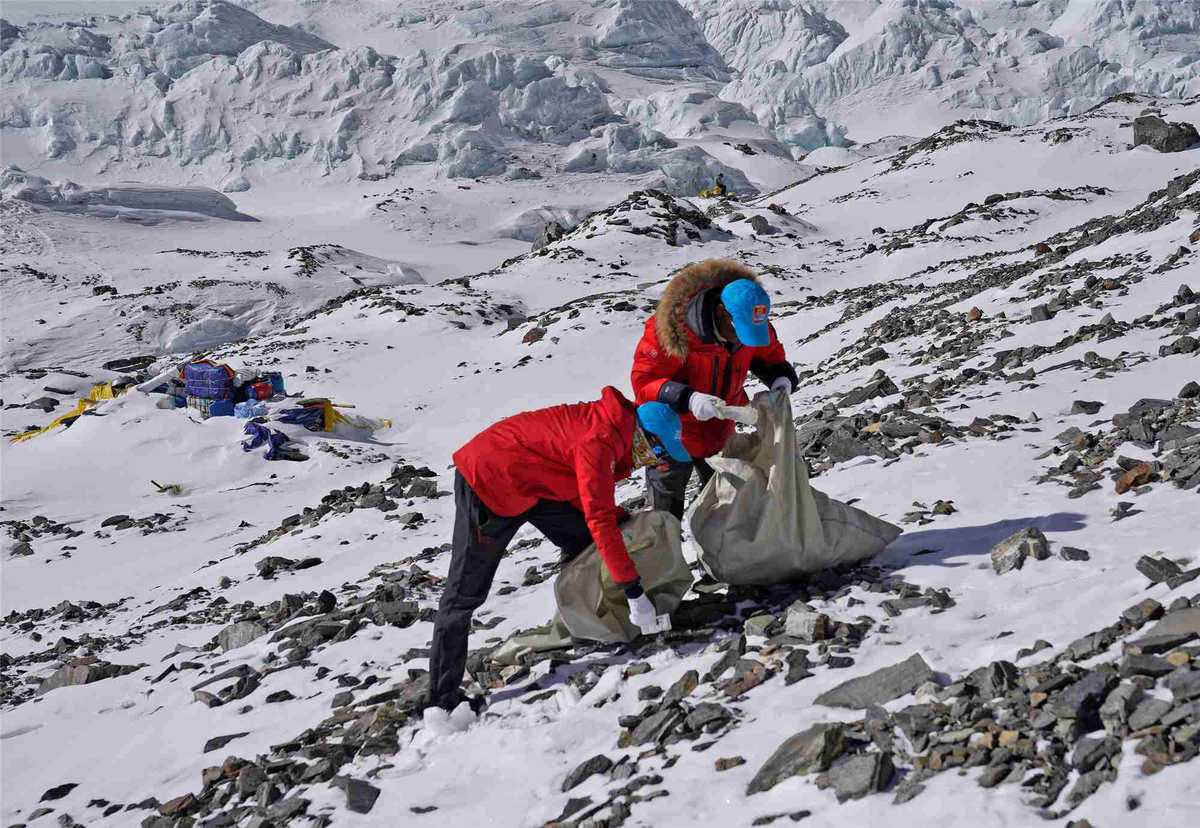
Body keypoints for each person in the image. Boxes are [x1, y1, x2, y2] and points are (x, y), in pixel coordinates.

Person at [428, 388, 690, 712]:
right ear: (647, 440)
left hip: (532, 483)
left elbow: (573, 483)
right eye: (658, 454)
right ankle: (440, 703)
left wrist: (620, 519)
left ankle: (590, 621)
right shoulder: (599, 441)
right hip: (489, 480)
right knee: (463, 595)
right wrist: (634, 590)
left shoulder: (613, 430)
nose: (654, 463)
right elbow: (599, 518)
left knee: (585, 543)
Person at [631, 259, 798, 518]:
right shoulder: (670, 330)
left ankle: (720, 556)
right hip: (669, 432)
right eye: (739, 331)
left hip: (719, 430)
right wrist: (688, 398)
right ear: (721, 312)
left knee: (727, 505)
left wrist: (781, 381)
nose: (745, 339)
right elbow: (644, 383)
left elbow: (770, 357)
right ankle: (666, 555)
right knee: (665, 510)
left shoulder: (751, 321)